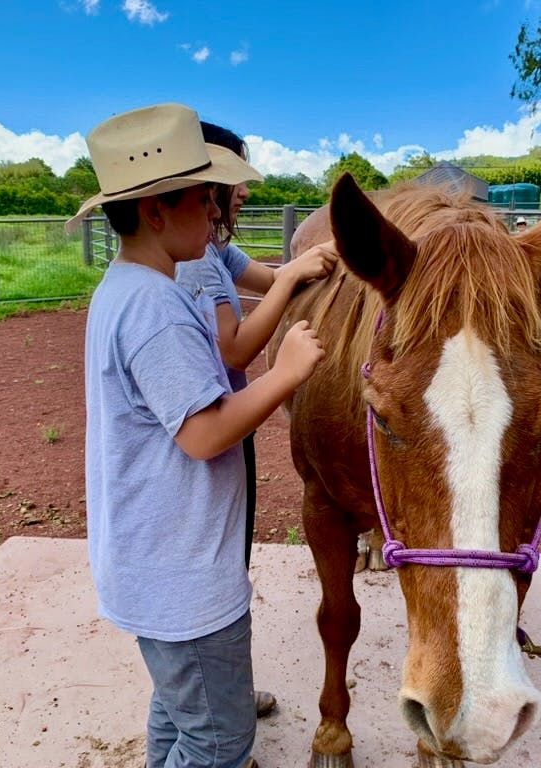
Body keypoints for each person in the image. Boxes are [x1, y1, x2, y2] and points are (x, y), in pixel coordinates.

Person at [68, 103, 325, 768]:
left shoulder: (130, 288)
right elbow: (205, 435)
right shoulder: (157, 311)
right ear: (156, 210)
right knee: (220, 741)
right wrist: (287, 374)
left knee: (181, 711)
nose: (216, 215)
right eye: (203, 202)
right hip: (181, 578)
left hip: (160, 564)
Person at [175, 123, 336, 722]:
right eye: (235, 181)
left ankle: (221, 694)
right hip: (214, 417)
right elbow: (235, 349)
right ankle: (216, 711)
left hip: (225, 420)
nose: (245, 192)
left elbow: (270, 280)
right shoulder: (196, 265)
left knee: (226, 562)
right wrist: (288, 365)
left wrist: (318, 264)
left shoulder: (215, 250)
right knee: (215, 572)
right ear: (208, 185)